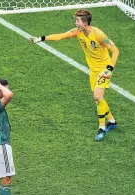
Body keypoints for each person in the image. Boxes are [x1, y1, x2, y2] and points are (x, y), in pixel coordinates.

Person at [30, 9, 119, 141]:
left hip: (104, 69)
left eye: (77, 20)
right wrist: (42, 38)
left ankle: (102, 128)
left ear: (85, 22)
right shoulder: (78, 32)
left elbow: (115, 50)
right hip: (93, 70)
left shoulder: (98, 34)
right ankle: (112, 122)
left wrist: (109, 69)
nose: (75, 22)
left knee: (97, 96)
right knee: (98, 98)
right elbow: (61, 36)